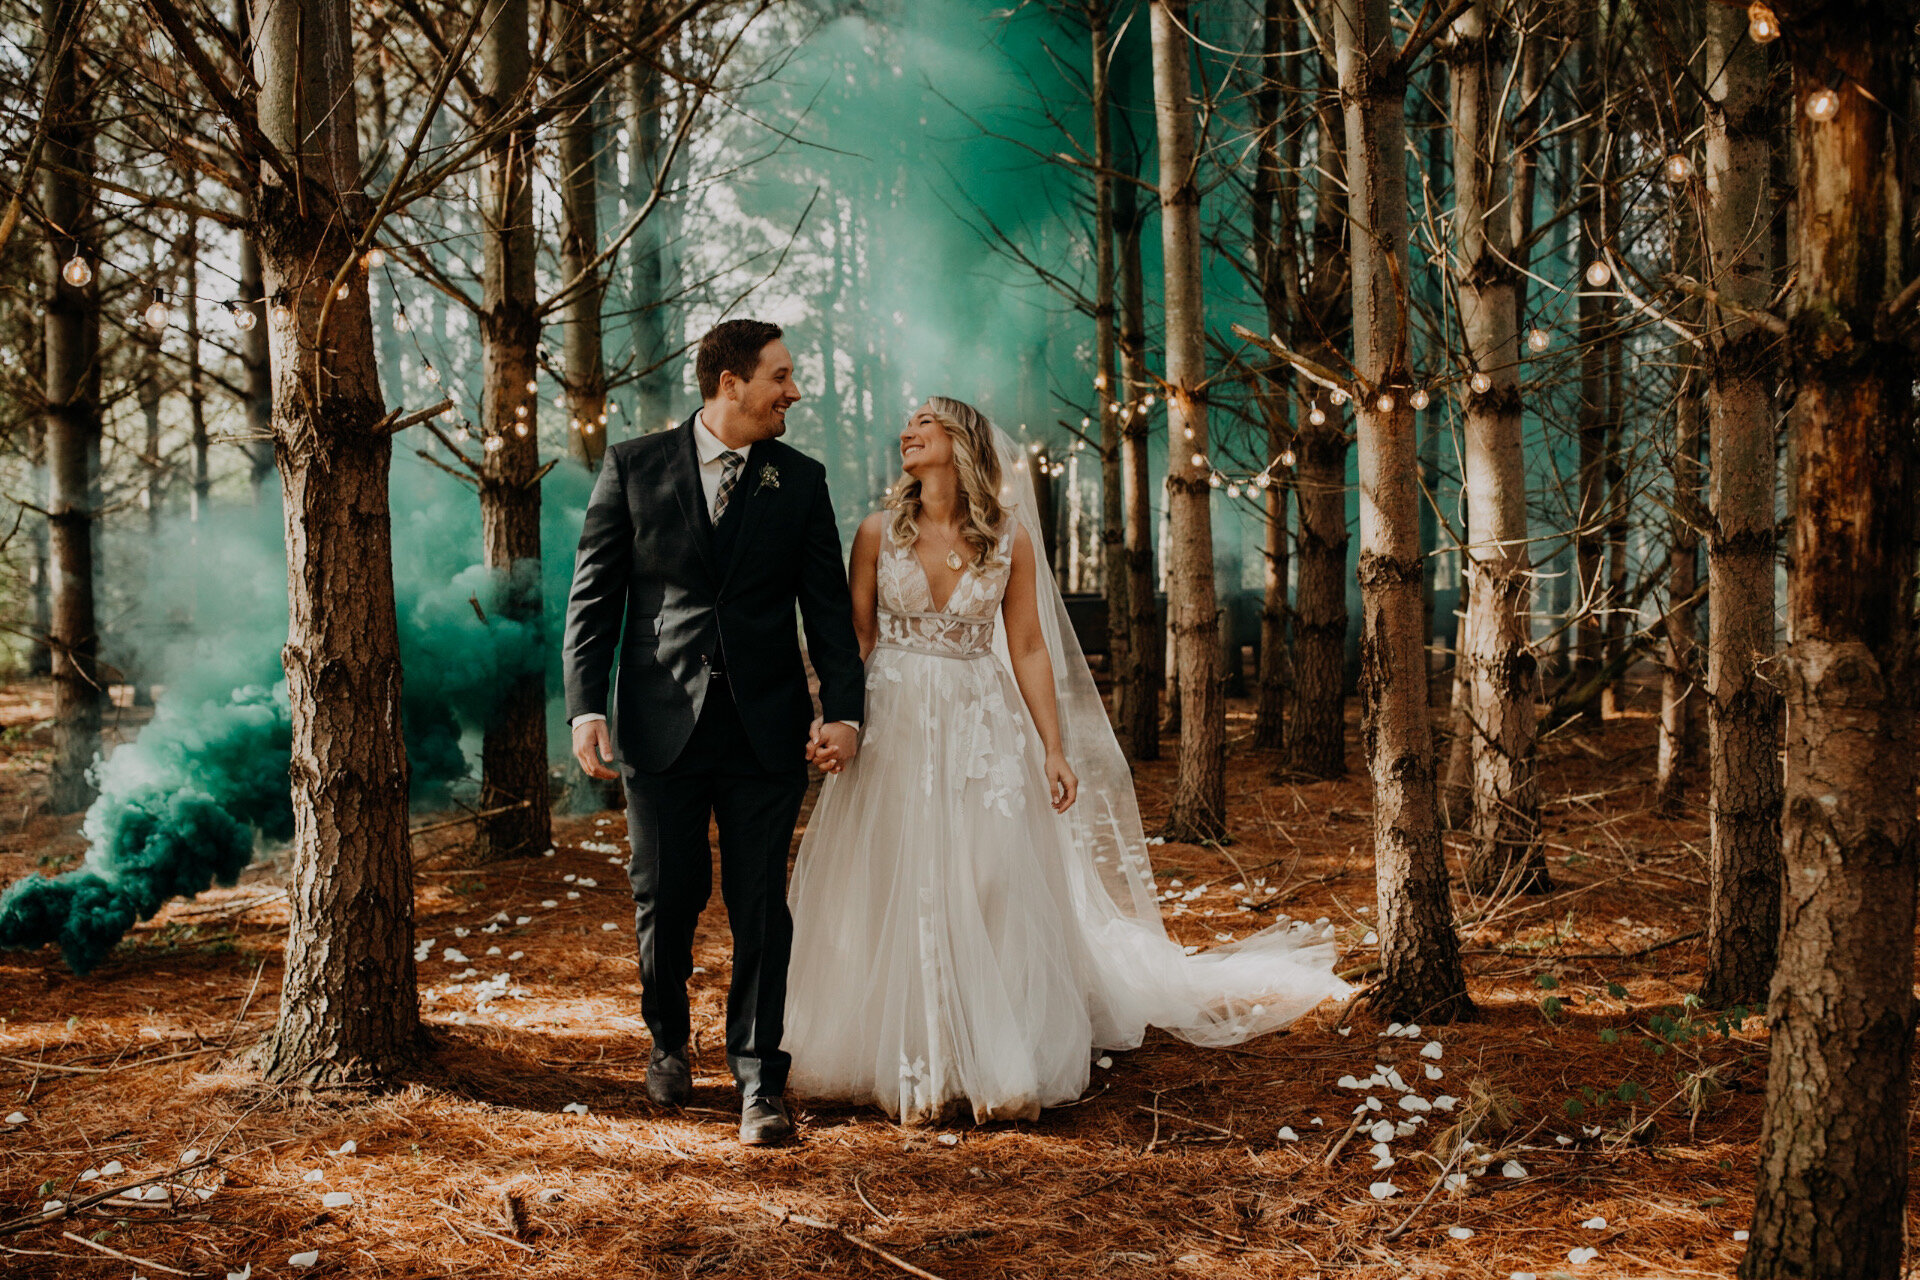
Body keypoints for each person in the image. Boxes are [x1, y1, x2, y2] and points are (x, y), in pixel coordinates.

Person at [783, 397, 1350, 1123]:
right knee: (899, 875)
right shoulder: (874, 533)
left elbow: (1025, 646)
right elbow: (854, 641)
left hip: (981, 727)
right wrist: (837, 719)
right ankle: (905, 1053)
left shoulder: (1007, 539)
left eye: (926, 422)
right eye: (909, 421)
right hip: (896, 722)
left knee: (986, 877)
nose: (909, 430)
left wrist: (1053, 747)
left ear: (960, 444)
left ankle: (988, 1048)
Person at [561, 318, 864, 1146]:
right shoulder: (633, 465)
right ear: (729, 383)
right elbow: (594, 599)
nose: (793, 392)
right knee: (667, 894)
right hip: (660, 729)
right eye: (781, 376)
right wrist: (586, 705)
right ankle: (667, 1041)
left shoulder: (798, 480)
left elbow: (828, 610)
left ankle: (761, 1077)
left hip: (768, 731)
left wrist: (843, 710)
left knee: (762, 905)